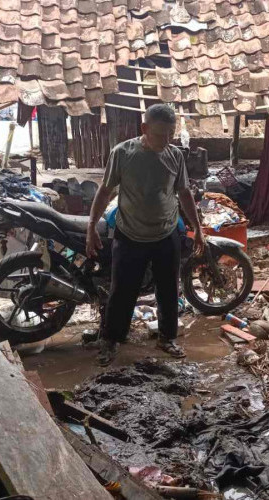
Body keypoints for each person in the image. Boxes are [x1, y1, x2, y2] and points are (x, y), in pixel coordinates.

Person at [86, 104, 205, 366]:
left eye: (170, 135)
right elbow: (105, 191)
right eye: (160, 135)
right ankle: (111, 340)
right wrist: (92, 225)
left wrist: (198, 229)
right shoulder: (123, 153)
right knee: (122, 292)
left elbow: (184, 193)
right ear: (144, 129)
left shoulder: (175, 156)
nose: (166, 141)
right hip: (130, 234)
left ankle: (167, 337)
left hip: (166, 234)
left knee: (168, 290)